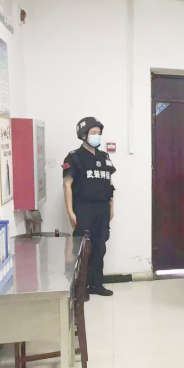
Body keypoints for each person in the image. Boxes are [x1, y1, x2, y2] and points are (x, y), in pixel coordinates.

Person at [62, 117, 115, 297]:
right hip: (83, 208)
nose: (97, 136)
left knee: (100, 246)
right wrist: (70, 212)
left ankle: (96, 284)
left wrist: (111, 206)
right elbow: (67, 185)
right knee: (83, 248)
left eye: (99, 133)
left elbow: (109, 183)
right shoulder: (74, 157)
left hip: (102, 208)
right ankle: (80, 288)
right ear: (83, 135)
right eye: (93, 133)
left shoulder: (104, 157)